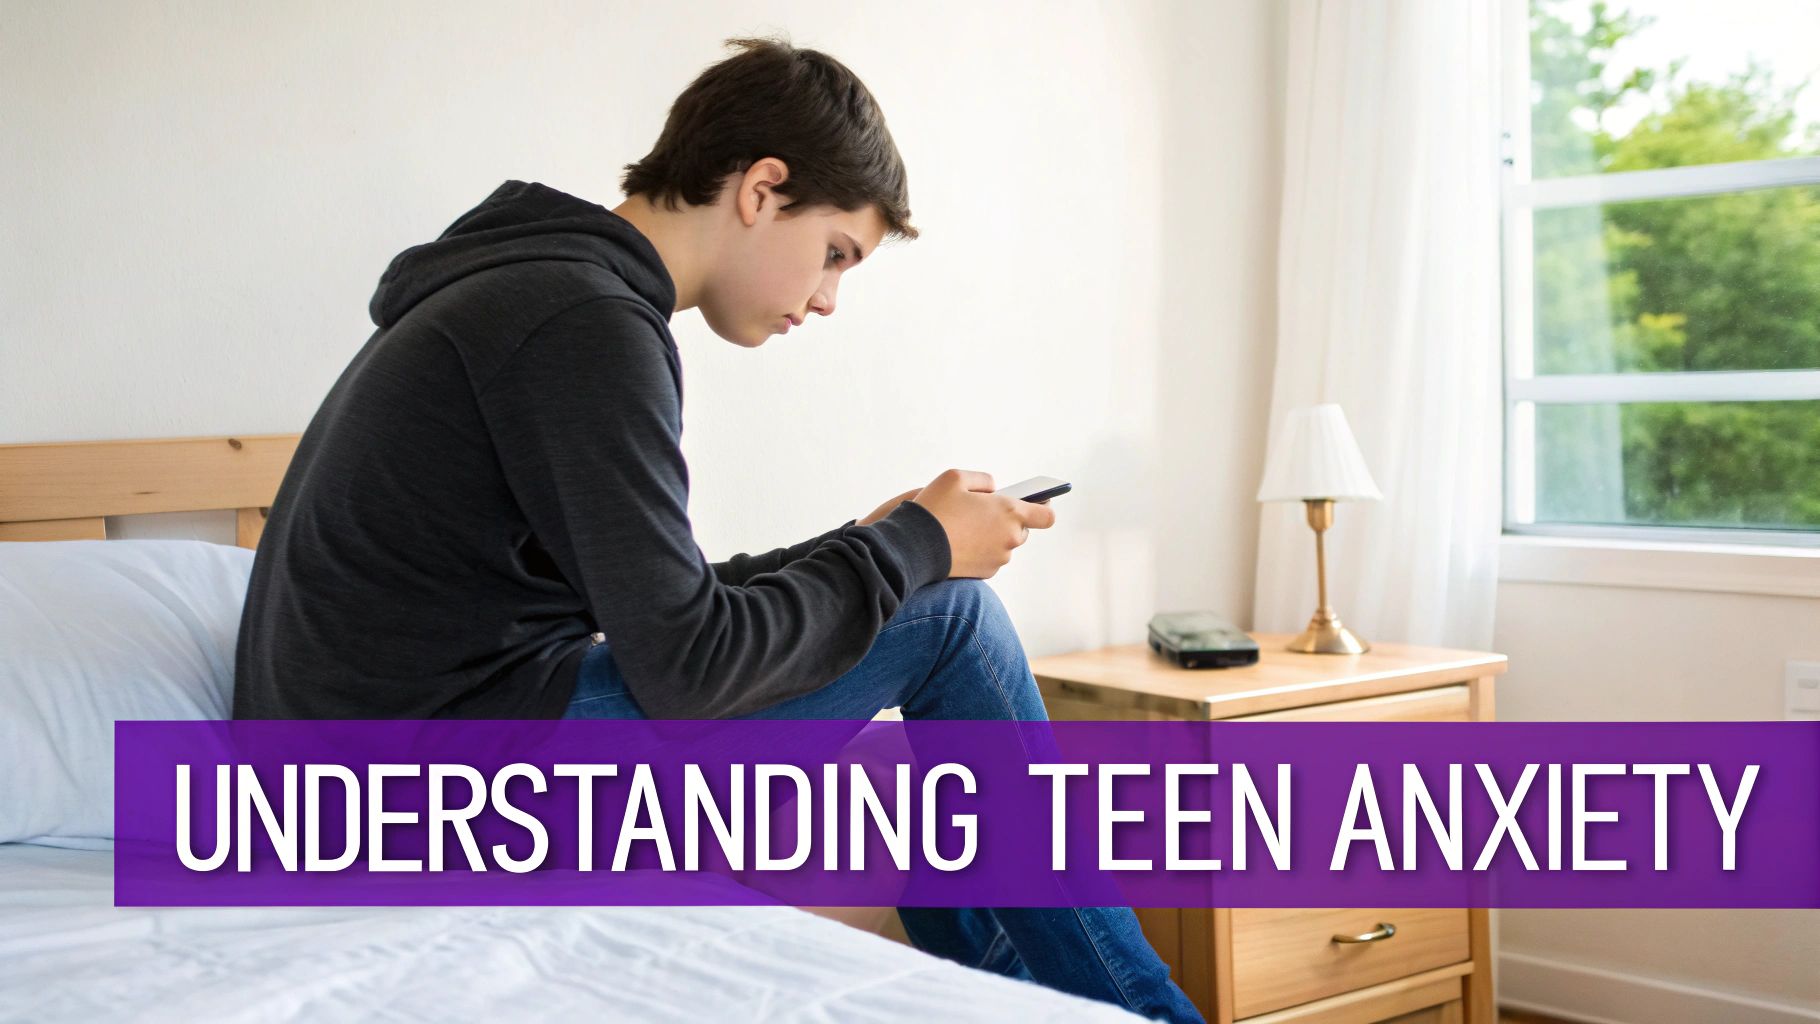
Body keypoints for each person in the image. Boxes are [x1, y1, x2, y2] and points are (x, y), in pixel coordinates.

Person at [233, 35, 1201, 1024]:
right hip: (405, 805)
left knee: (921, 720)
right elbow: (686, 669)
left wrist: (868, 549)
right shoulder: (584, 323)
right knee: (952, 617)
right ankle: (1152, 1013)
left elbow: (661, 605)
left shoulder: (531, 292)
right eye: (833, 253)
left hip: (346, 789)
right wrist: (913, 551)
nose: (826, 298)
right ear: (761, 188)